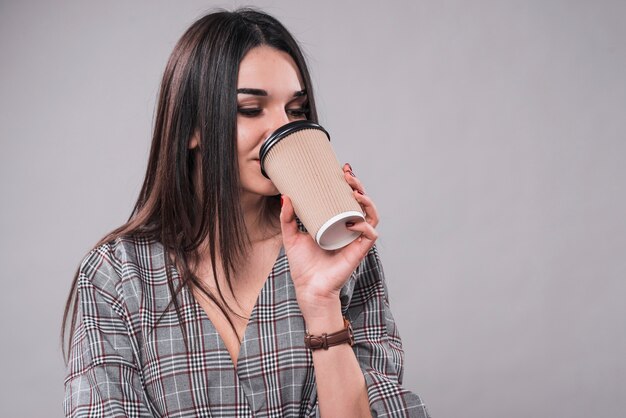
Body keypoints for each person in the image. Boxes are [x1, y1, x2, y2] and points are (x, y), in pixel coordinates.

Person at [62, 8, 430, 418]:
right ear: (191, 129)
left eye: (296, 110)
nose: (282, 130)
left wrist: (322, 301)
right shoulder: (117, 276)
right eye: (251, 109)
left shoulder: (338, 253)